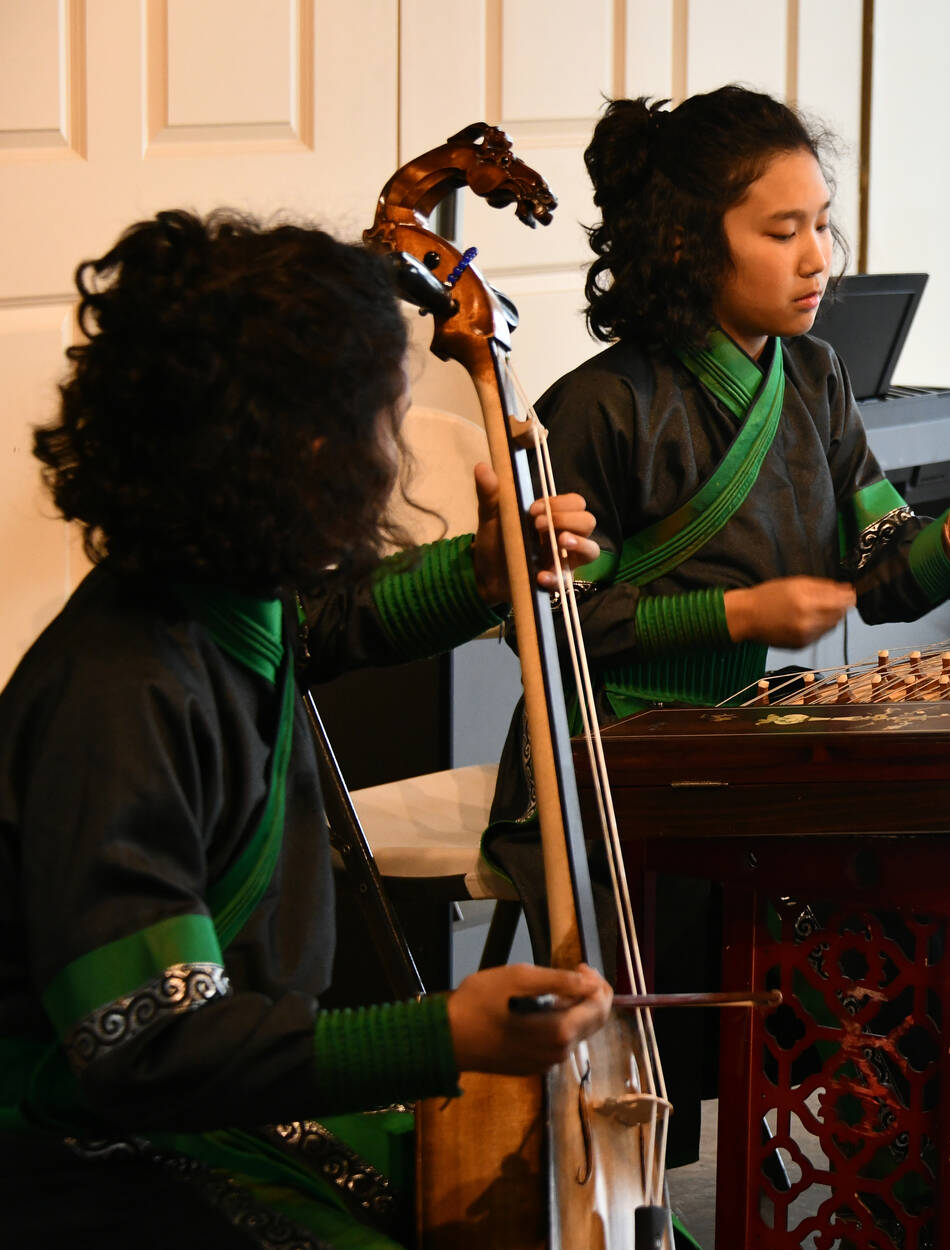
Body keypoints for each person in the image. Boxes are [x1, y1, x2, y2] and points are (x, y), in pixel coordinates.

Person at [482, 86, 950, 1242]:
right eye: (782, 230)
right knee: (829, 908)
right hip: (618, 757)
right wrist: (735, 612)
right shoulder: (598, 407)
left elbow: (876, 560)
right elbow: (552, 620)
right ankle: (798, 1183)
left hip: (762, 742)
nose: (818, 257)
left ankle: (930, 1166)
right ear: (688, 244)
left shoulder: (815, 378)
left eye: (821, 224)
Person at [0, 210, 612, 1248]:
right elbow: (148, 1046)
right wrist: (442, 1032)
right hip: (73, 1147)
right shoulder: (116, 698)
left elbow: (327, 624)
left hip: (196, 1102)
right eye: (382, 423)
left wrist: (480, 571)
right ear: (301, 452)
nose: (394, 458)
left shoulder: (218, 602)